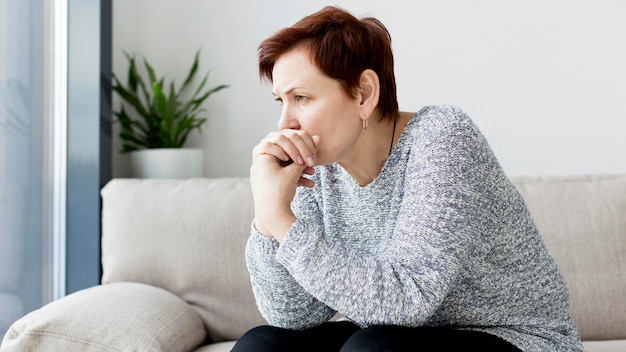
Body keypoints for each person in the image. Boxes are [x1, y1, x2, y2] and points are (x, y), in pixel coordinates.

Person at [233, 6, 584, 352]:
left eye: (301, 98)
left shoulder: (443, 139)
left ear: (364, 93)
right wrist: (267, 218)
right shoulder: (317, 167)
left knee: (371, 346)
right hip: (395, 335)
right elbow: (294, 315)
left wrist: (281, 220)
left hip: (513, 338)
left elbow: (406, 301)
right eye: (281, 100)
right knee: (262, 344)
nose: (285, 123)